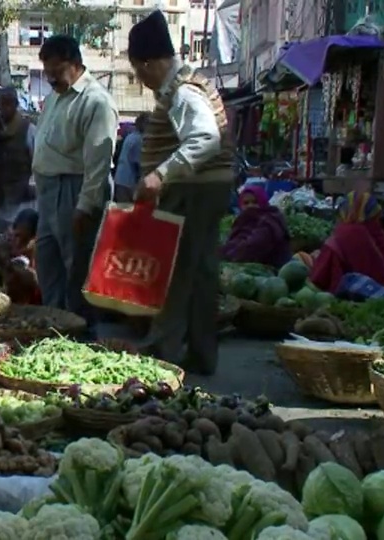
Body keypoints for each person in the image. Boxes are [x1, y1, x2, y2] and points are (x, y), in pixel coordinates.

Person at [127, 10, 235, 375]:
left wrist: (160, 174)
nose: (141, 80)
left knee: (175, 273)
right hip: (204, 188)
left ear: (152, 62)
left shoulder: (185, 92)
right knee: (200, 273)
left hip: (194, 190)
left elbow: (206, 138)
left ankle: (164, 354)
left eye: (139, 70)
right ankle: (201, 355)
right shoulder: (187, 85)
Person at [32, 35, 118, 318]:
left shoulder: (96, 101)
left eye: (56, 71)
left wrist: (86, 205)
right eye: (47, 73)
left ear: (75, 64)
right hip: (48, 191)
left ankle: (82, 333)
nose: (51, 79)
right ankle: (54, 326)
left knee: (78, 267)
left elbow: (99, 160)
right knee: (48, 264)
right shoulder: (54, 99)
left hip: (75, 189)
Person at [311, 192, 384, 293]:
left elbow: (318, 278)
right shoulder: (379, 235)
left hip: (344, 299)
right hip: (381, 295)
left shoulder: (343, 235)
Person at [0, 86, 37, 237]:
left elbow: (37, 160)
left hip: (22, 195)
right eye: (1, 104)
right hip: (0, 194)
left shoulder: (28, 129)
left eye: (9, 103)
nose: (5, 108)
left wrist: (32, 184)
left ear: (16, 105)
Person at [221, 185, 292, 268]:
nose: (250, 206)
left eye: (255, 202)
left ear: (263, 202)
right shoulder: (243, 221)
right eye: (246, 203)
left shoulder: (270, 221)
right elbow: (234, 243)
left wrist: (225, 255)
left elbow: (251, 247)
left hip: (275, 270)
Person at [113, 113, 149, 202]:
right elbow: (139, 163)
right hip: (129, 182)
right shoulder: (139, 140)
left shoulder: (131, 136)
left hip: (120, 179)